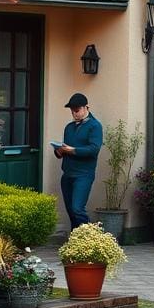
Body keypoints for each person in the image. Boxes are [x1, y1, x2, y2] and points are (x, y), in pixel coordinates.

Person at [54, 92, 103, 229]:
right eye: (72, 111)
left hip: (83, 174)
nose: (74, 113)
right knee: (70, 211)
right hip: (67, 174)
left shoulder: (95, 126)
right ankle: (76, 240)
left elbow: (94, 149)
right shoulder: (69, 127)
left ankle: (90, 237)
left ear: (86, 108)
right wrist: (59, 151)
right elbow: (63, 150)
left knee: (77, 209)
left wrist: (72, 150)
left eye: (76, 110)